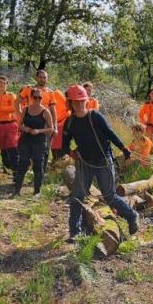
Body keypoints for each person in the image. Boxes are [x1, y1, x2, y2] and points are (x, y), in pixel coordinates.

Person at [61, 84, 139, 243]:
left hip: (103, 160)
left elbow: (110, 134)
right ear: (70, 103)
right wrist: (71, 153)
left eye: (82, 101)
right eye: (76, 102)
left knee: (109, 195)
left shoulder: (95, 116)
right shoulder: (69, 122)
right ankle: (75, 232)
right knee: (77, 197)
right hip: (84, 163)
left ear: (86, 101)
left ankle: (132, 215)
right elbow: (64, 144)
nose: (79, 104)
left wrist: (124, 148)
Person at [18, 70, 66, 168]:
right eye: (40, 77)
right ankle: (28, 172)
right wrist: (21, 116)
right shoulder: (28, 89)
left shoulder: (50, 92)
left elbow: (53, 111)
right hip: (30, 124)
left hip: (45, 125)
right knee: (28, 149)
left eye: (44, 77)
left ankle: (41, 173)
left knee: (45, 150)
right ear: (36, 77)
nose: (42, 79)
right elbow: (16, 102)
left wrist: (55, 127)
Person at [13, 88, 54, 196]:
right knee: (22, 163)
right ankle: (16, 191)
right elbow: (20, 124)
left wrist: (39, 131)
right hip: (25, 140)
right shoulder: (26, 109)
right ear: (31, 97)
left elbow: (51, 129)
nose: (37, 99)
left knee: (38, 166)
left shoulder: (45, 111)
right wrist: (24, 128)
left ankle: (37, 192)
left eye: (39, 97)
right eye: (35, 97)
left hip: (39, 141)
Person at [0, 76, 19, 173]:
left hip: (11, 124)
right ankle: (7, 167)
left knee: (12, 145)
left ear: (7, 85)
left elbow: (13, 108)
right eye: (0, 83)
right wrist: (4, 110)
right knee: (2, 147)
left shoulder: (12, 96)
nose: (1, 85)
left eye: (4, 83)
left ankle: (16, 170)